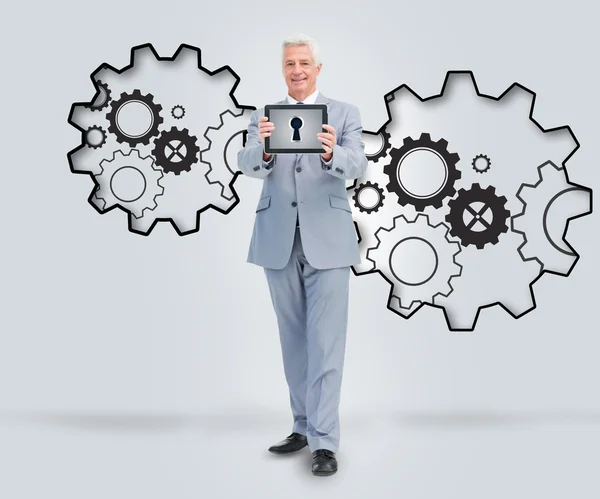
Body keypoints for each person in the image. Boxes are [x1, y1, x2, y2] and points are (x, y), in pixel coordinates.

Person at [237, 34, 368, 477]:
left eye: (304, 62)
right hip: (278, 239)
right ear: (283, 69)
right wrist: (267, 146)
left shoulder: (345, 114)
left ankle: (325, 442)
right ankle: (302, 426)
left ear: (317, 68)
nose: (297, 69)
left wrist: (333, 152)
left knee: (326, 342)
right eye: (290, 63)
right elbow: (245, 161)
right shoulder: (264, 115)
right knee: (293, 342)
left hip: (328, 241)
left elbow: (358, 165)